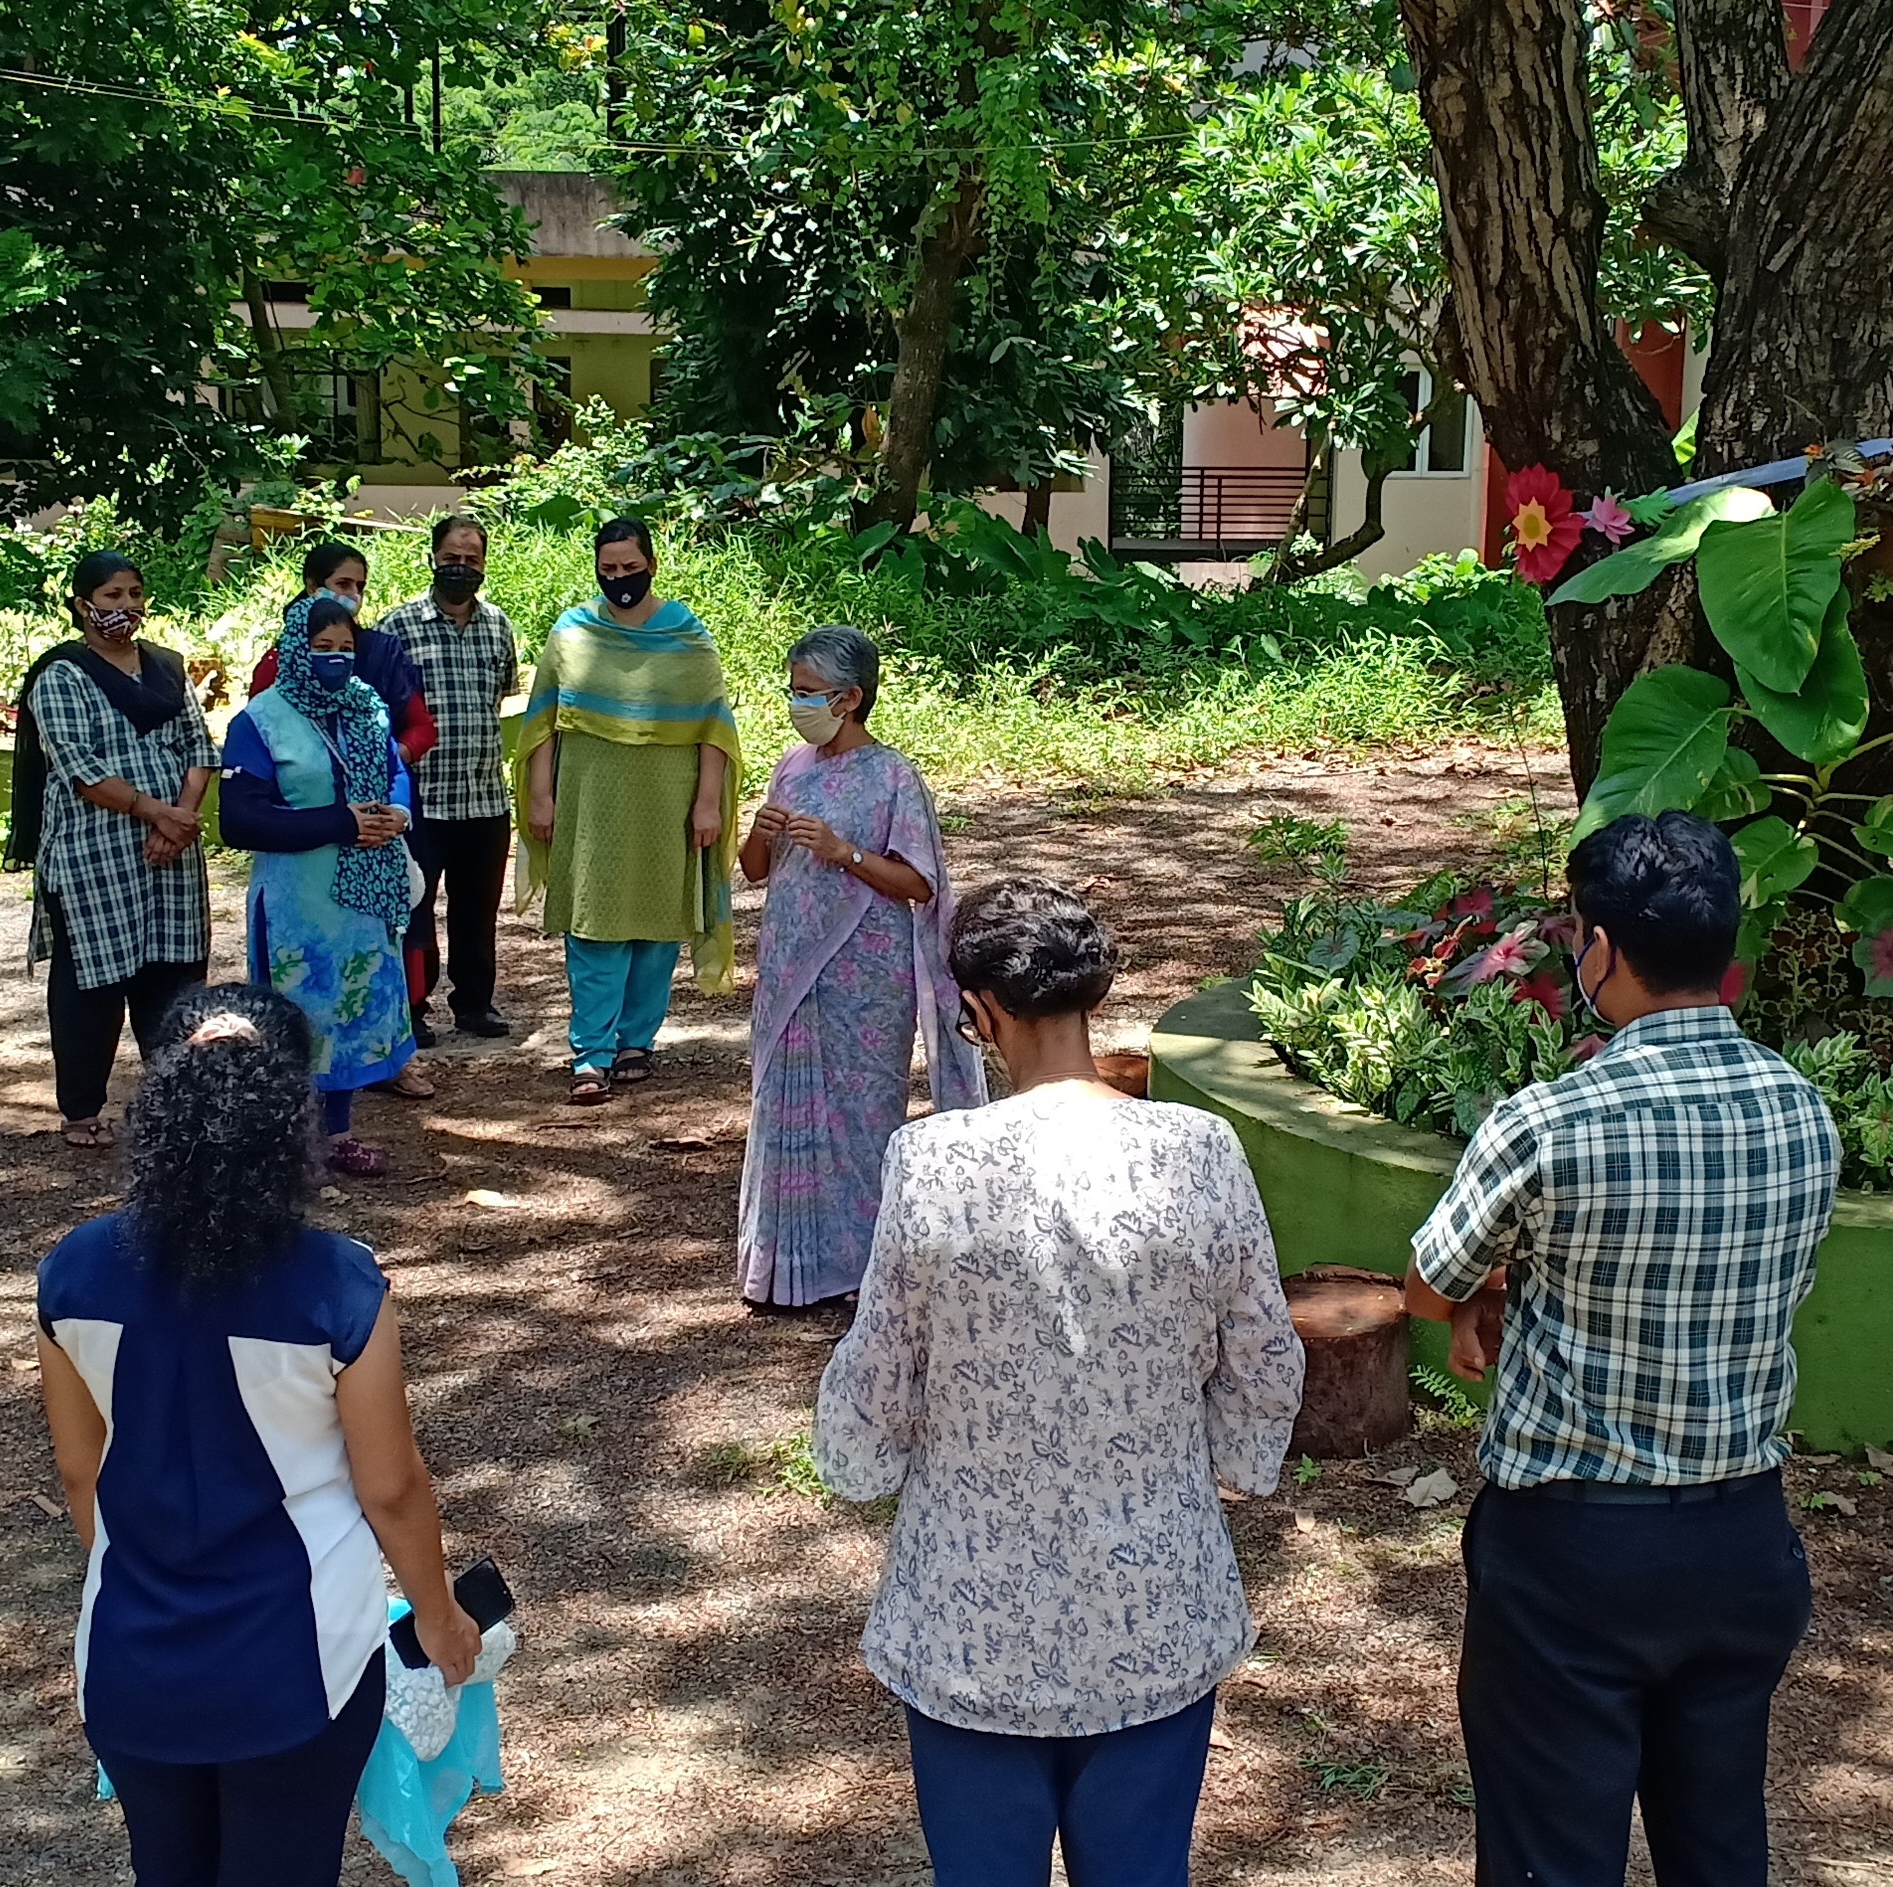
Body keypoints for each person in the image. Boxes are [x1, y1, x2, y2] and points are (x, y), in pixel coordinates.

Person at [813, 878, 1302, 1887]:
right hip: (1154, 1603)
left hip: (969, 1620)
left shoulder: (930, 1162)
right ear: (1091, 997)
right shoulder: (1196, 1151)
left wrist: (862, 1458)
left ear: (980, 1012)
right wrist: (1210, 1467)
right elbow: (1262, 1359)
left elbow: (874, 1394)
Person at [1401, 811, 1839, 1887]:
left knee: (1551, 1852)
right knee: (1719, 1842)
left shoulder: (1551, 1121)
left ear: (1598, 949)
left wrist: (1492, 1289)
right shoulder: (1801, 1113)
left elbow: (1427, 1284)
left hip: (1571, 1548)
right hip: (1741, 1536)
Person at [36, 983, 480, 1887]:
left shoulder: (72, 1270)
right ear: (289, 1117)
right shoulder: (339, 1286)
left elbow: (82, 1471)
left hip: (131, 1650)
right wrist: (440, 1618)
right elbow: (388, 1486)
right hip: (296, 1658)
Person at [734, 626, 982, 1308]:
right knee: (784, 1109)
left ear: (850, 698)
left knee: (861, 1114)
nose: (796, 702)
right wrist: (759, 830)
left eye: (807, 692)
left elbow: (919, 884)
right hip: (790, 965)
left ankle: (859, 1268)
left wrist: (843, 850)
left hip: (865, 974)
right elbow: (754, 871)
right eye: (793, 689)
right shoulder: (792, 766)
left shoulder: (893, 776)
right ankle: (783, 1267)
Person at [513, 518, 738, 1106]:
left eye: (629, 569)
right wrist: (541, 796)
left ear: (652, 566)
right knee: (594, 921)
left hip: (669, 800)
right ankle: (591, 1052)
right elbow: (542, 722)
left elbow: (714, 728)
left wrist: (707, 804)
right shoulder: (573, 634)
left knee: (660, 924)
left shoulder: (687, 636)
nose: (619, 580)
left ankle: (637, 1039)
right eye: (608, 570)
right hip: (590, 804)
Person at [13, 553, 221, 1149]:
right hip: (93, 853)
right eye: (111, 596)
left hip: (171, 852)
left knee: (174, 973)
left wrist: (178, 818)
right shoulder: (60, 676)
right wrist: (157, 812)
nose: (125, 607)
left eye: (134, 593)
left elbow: (198, 748)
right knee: (92, 982)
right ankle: (82, 1110)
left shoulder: (167, 669)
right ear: (83, 605)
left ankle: (173, 1098)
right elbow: (79, 767)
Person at [216, 599, 420, 1178]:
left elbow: (394, 771)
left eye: (345, 649)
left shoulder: (366, 709)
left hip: (362, 898)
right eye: (322, 648)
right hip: (296, 902)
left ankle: (339, 1134)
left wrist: (398, 814)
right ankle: (286, 1141)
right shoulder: (261, 720)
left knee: (351, 1014)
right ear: (292, 649)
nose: (335, 660)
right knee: (297, 1018)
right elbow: (240, 820)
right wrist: (342, 823)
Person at [378, 514, 520, 1043]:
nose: (461, 568)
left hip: (483, 795)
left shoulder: (498, 626)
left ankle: (475, 1004)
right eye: (452, 559)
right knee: (414, 907)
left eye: (472, 560)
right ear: (433, 558)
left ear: (483, 564)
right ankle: (413, 1008)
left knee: (477, 910)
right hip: (422, 797)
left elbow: (501, 694)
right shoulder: (399, 627)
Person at [244, 538, 435, 770]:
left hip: (376, 793)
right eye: (344, 584)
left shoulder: (381, 652)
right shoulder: (283, 659)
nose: (354, 595)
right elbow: (256, 732)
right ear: (313, 587)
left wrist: (381, 763)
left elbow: (422, 729)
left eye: (360, 587)